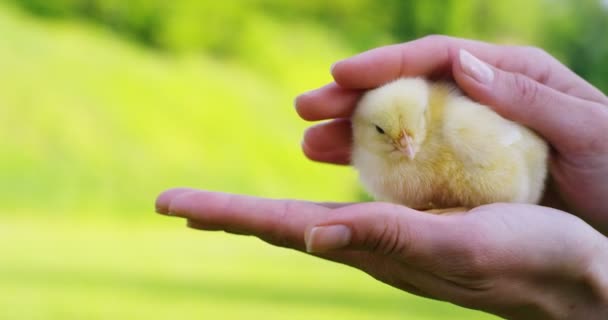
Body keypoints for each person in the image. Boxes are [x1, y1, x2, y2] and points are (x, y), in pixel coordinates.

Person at [155, 36, 608, 319]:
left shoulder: (460, 123)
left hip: (512, 185)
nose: (407, 146)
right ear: (364, 130)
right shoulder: (380, 144)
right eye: (390, 136)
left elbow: (517, 160)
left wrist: (592, 273)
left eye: (412, 133)